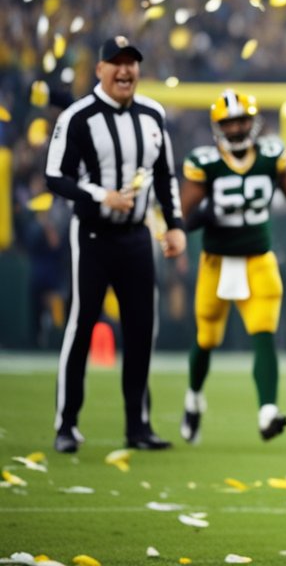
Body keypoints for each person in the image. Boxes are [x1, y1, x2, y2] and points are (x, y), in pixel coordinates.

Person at [44, 35, 187, 453]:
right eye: (116, 63)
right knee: (82, 325)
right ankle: (66, 424)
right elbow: (55, 175)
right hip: (92, 235)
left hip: (138, 235)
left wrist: (175, 225)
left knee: (143, 329)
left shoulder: (153, 114)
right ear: (100, 70)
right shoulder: (78, 116)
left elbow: (165, 176)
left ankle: (137, 426)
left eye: (131, 63)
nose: (125, 71)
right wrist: (99, 195)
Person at [177, 89, 286, 444]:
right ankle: (193, 399)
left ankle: (267, 410)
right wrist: (197, 220)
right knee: (206, 337)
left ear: (254, 123)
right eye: (230, 123)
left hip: (259, 258)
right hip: (216, 261)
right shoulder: (205, 162)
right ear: (218, 127)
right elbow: (180, 216)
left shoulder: (272, 155)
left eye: (242, 121)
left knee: (264, 332)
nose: (237, 129)